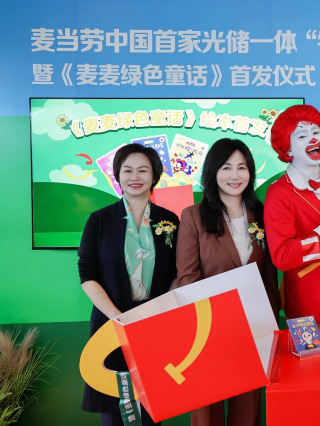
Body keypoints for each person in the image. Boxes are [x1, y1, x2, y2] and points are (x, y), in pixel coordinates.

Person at [176, 138, 280, 426]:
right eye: (226, 167)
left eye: (242, 167)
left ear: (250, 172)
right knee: (207, 409)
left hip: (254, 328)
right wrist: (210, 322)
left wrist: (271, 324)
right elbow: (187, 277)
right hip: (208, 328)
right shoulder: (194, 216)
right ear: (213, 172)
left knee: (247, 407)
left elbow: (269, 276)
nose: (235, 175)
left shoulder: (262, 214)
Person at [78, 143, 180, 426]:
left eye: (143, 170)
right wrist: (119, 318)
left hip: (154, 323)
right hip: (111, 323)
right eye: (127, 170)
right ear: (118, 175)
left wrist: (158, 310)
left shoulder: (169, 220)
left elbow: (178, 273)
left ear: (154, 175)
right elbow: (87, 274)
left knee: (153, 405)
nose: (135, 177)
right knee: (114, 405)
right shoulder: (99, 220)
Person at [264, 104, 320, 323]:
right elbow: (283, 256)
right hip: (310, 304)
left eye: (316, 132)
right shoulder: (279, 192)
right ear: (288, 150)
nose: (313, 139)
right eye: (302, 135)